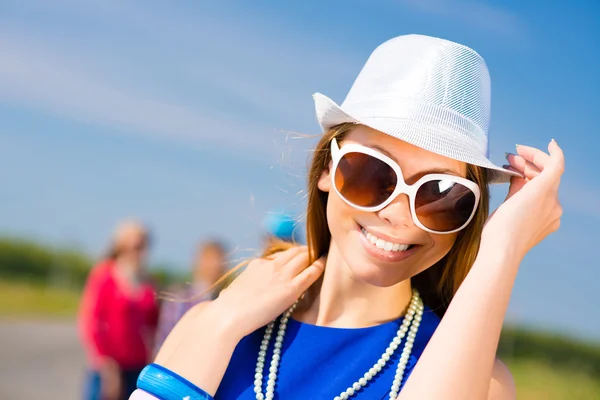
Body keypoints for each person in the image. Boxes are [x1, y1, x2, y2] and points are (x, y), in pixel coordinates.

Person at [131, 34, 564, 399]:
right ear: (325, 169)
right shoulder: (216, 324)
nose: (398, 214)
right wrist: (220, 324)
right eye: (373, 173)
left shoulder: (481, 383)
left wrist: (502, 249)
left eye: (443, 195)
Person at [79, 220, 159, 400]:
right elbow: (91, 321)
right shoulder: (105, 274)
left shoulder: (148, 282)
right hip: (108, 364)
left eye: (144, 244)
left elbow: (155, 325)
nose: (140, 250)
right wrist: (104, 361)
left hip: (138, 363)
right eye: (136, 244)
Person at [154, 240, 228, 352]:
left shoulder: (225, 300)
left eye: (219, 259)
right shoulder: (179, 300)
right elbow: (164, 339)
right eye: (209, 259)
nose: (215, 265)